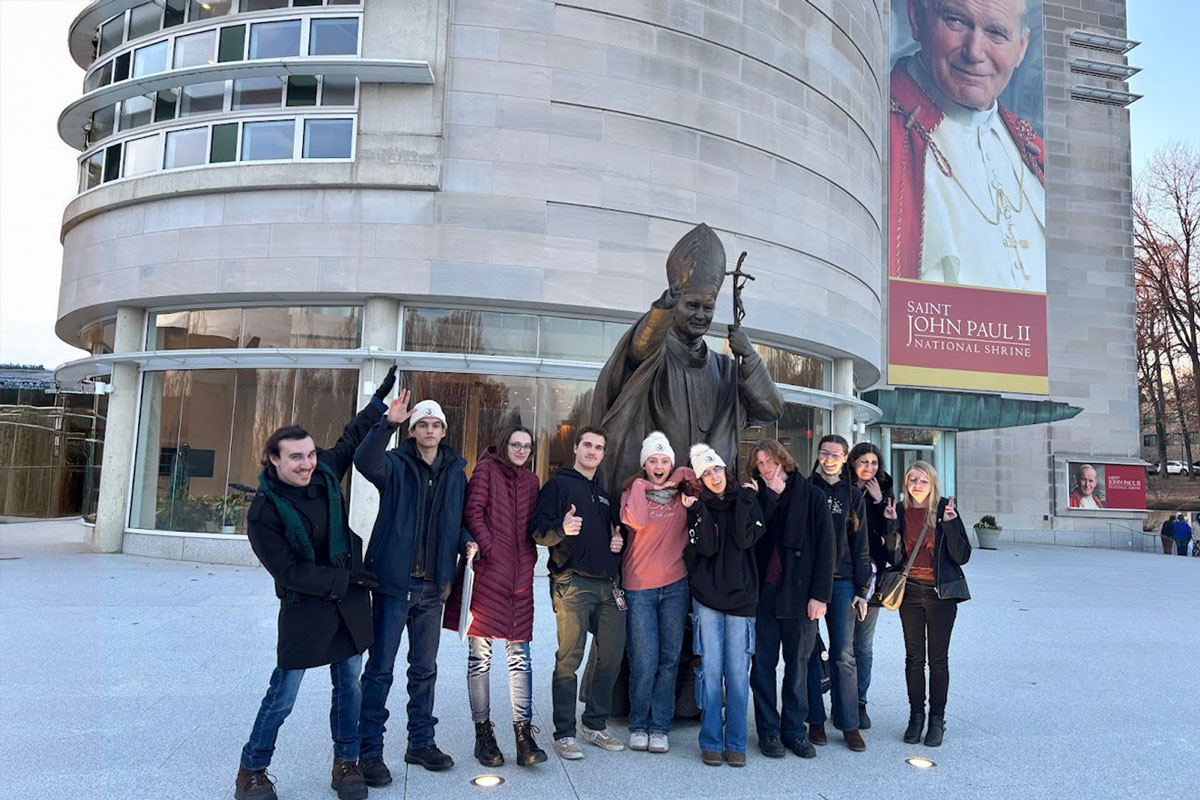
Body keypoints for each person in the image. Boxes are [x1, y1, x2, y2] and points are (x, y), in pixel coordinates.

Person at [235, 369, 394, 800]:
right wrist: (347, 578)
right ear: (274, 459)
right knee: (283, 693)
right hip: (305, 606)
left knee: (349, 685)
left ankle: (346, 763)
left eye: (308, 454)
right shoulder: (265, 512)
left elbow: (351, 436)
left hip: (347, 602)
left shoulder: (324, 471)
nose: (306, 464)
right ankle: (252, 768)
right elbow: (288, 571)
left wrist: (381, 403)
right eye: (296, 458)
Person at [591, 222, 784, 491]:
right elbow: (641, 348)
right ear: (675, 306)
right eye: (692, 305)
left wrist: (750, 357)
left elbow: (771, 410)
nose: (700, 315)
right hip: (657, 499)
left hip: (710, 500)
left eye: (708, 307)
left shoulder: (726, 368)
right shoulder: (654, 357)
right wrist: (667, 303)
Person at [354, 391, 477, 780]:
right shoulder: (393, 464)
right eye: (421, 424)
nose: (429, 429)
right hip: (393, 585)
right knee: (380, 671)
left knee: (424, 670)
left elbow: (454, 522)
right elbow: (362, 460)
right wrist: (386, 423)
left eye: (435, 424)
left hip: (432, 589)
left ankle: (420, 743)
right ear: (412, 430)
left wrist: (466, 541)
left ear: (443, 431)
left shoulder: (455, 473)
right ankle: (369, 751)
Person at [890, 0, 1046, 292]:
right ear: (916, 19)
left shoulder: (1035, 151)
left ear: (1022, 47)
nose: (974, 52)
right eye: (956, 21)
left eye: (996, 33)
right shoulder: (877, 131)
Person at [441, 425, 547, 767]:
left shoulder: (531, 481)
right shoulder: (486, 468)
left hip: (519, 579)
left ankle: (523, 735)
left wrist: (529, 556)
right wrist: (489, 549)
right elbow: (472, 513)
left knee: (521, 657)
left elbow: (534, 524)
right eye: (516, 444)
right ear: (504, 444)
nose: (521, 450)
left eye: (527, 446)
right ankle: (483, 733)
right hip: (488, 574)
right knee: (480, 658)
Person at [532, 426, 627, 759]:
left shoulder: (602, 493)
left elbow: (611, 536)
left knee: (611, 656)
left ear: (603, 454)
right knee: (569, 660)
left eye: (599, 447)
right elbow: (539, 533)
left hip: (607, 586)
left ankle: (594, 723)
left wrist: (617, 543)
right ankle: (564, 733)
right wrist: (562, 528)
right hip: (572, 583)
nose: (592, 451)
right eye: (587, 445)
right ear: (576, 448)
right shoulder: (558, 485)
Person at [747, 439, 834, 761]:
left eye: (769, 460)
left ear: (783, 460)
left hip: (800, 596)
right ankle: (768, 731)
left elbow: (827, 550)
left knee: (798, 668)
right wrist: (761, 497)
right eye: (759, 463)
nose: (765, 467)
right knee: (763, 667)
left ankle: (795, 731)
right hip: (764, 594)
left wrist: (819, 596)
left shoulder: (812, 495)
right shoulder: (756, 497)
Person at [683, 443, 766, 767]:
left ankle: (736, 743)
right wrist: (696, 512)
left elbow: (745, 540)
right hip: (707, 600)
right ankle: (711, 741)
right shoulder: (698, 507)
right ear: (701, 480)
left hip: (742, 600)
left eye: (716, 469)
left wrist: (746, 500)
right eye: (706, 473)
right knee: (711, 672)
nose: (713, 476)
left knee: (737, 674)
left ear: (725, 470)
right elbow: (706, 546)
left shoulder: (746, 500)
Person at [885, 459, 971, 747]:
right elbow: (891, 556)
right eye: (912, 480)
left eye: (923, 480)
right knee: (913, 658)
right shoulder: (899, 510)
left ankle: (936, 720)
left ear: (932, 483)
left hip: (940, 594)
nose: (917, 485)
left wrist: (949, 524)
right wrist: (888, 525)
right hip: (909, 592)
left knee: (937, 660)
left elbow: (962, 556)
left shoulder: (946, 508)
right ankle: (915, 717)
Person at [619, 431, 695, 753]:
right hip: (639, 587)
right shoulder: (632, 491)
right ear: (644, 464)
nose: (660, 466)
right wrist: (643, 486)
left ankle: (660, 726)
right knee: (644, 659)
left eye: (665, 461)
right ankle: (639, 723)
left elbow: (696, 476)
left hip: (676, 586)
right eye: (653, 461)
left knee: (668, 659)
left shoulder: (681, 492)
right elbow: (636, 520)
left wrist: (674, 478)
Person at [805, 435, 870, 752]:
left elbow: (861, 544)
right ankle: (814, 720)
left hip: (843, 582)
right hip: (808, 584)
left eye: (835, 454)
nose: (828, 459)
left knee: (844, 654)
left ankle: (848, 723)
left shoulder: (853, 495)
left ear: (845, 459)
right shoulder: (805, 489)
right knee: (809, 653)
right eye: (824, 453)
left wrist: (862, 589)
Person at [847, 442, 894, 729]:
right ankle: (841, 698)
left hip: (873, 579)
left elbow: (890, 538)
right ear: (852, 463)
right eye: (863, 461)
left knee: (863, 644)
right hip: (842, 575)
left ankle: (859, 702)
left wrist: (877, 502)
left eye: (874, 463)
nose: (869, 467)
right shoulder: (840, 487)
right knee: (842, 645)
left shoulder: (884, 492)